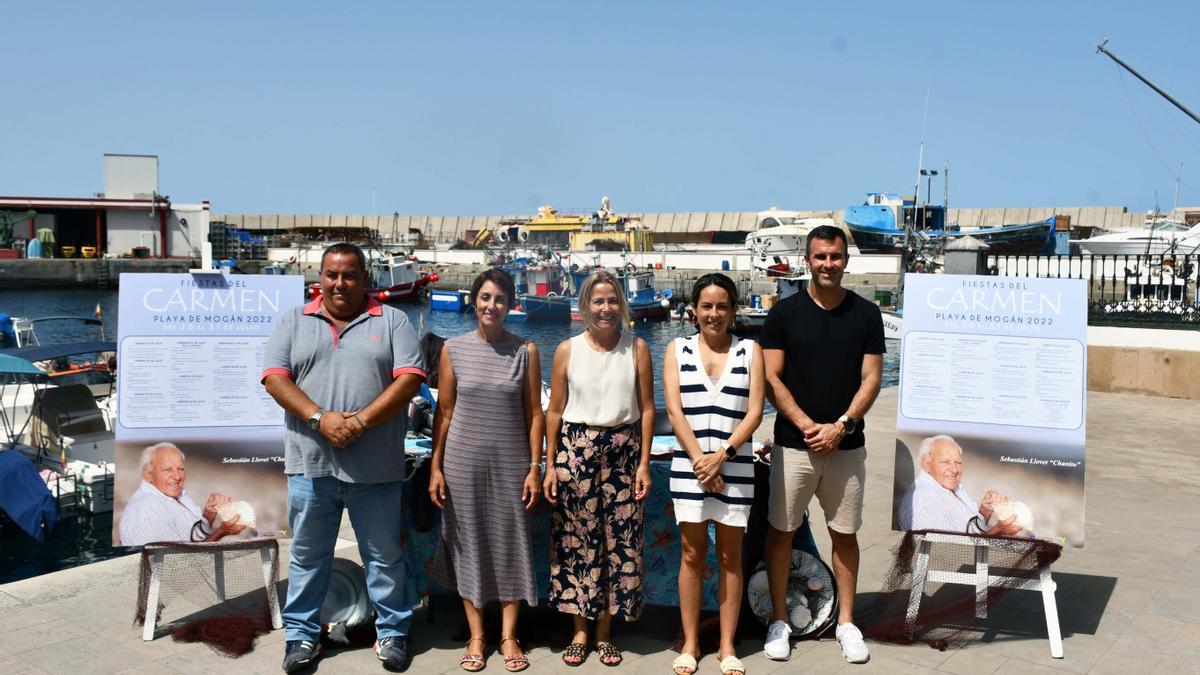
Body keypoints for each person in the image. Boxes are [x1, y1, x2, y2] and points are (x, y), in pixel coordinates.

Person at [262, 242, 426, 673]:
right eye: (332, 274)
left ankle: (392, 632)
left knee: (384, 556)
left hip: (376, 469)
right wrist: (320, 420)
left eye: (349, 275)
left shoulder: (392, 320)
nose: (340, 283)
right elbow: (274, 379)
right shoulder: (293, 321)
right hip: (310, 466)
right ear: (320, 278)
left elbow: (410, 378)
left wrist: (360, 423)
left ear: (365, 279)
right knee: (307, 557)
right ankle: (301, 636)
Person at [759, 225, 885, 665]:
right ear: (807, 260)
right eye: (819, 257)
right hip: (794, 446)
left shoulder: (866, 315)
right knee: (781, 533)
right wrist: (808, 424)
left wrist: (842, 425)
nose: (827, 264)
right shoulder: (784, 315)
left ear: (846, 259)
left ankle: (847, 623)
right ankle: (779, 619)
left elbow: (872, 378)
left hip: (846, 448)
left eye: (834, 256)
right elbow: (771, 379)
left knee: (844, 534)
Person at [428, 268, 544, 673]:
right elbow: (443, 414)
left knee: (511, 543)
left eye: (499, 299)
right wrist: (435, 467)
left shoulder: (526, 350)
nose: (491, 305)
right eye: (485, 297)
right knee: (468, 542)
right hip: (462, 462)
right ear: (473, 301)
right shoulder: (452, 350)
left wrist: (535, 467)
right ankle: (477, 634)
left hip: (511, 462)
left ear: (510, 304)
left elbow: (535, 414)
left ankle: (509, 635)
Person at [543, 269, 654, 667]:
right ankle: (578, 630)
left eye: (612, 301)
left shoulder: (637, 348)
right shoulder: (567, 350)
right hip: (575, 453)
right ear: (585, 305)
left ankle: (605, 633)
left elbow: (647, 409)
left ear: (621, 304)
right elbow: (554, 411)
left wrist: (644, 463)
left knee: (618, 544)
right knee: (575, 543)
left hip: (623, 454)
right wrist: (550, 465)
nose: (605, 308)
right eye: (598, 301)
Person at [663, 273, 764, 675]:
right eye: (706, 306)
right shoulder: (676, 349)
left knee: (729, 557)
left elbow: (755, 412)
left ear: (734, 310)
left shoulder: (750, 351)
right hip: (690, 467)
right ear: (694, 310)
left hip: (733, 465)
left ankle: (726, 646)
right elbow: (674, 410)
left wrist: (720, 456)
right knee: (691, 554)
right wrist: (701, 462)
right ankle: (689, 643)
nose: (714, 313)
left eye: (722, 306)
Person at [119, 442, 247, 545]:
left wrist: (209, 513)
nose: (177, 476)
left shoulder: (170, 493)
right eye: (167, 469)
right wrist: (222, 531)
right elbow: (180, 561)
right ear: (147, 474)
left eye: (180, 469)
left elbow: (192, 539)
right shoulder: (150, 509)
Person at [897, 435, 1021, 535]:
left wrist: (985, 510)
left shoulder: (950, 487)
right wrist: (997, 531)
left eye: (958, 463)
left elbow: (968, 532)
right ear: (926, 465)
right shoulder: (925, 498)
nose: (955, 470)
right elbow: (946, 552)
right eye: (945, 462)